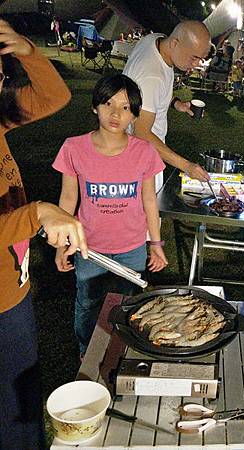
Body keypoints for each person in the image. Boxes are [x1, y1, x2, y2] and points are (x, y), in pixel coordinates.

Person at [0, 19, 88, 449]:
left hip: (13, 292)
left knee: (23, 405)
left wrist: (28, 51)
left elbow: (56, 96)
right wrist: (37, 213)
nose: (1, 81)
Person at [53, 74, 168, 356]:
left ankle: (118, 351)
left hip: (131, 248)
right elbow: (68, 198)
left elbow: (149, 200)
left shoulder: (144, 152)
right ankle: (86, 352)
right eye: (108, 103)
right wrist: (61, 244)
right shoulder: (73, 148)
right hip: (88, 247)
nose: (116, 113)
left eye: (126, 107)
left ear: (134, 115)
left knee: (126, 305)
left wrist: (155, 244)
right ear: (95, 107)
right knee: (88, 303)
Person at [123, 20, 211, 187]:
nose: (196, 64)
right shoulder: (152, 76)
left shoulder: (154, 40)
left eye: (200, 59)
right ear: (175, 43)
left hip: (133, 151)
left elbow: (148, 95)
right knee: (147, 210)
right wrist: (187, 166)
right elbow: (141, 133)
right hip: (141, 159)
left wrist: (176, 103)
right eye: (194, 58)